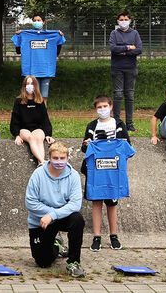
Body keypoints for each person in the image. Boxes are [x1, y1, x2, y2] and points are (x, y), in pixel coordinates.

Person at [25, 142, 85, 278]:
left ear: (67, 158)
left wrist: (53, 214)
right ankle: (57, 246)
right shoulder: (38, 174)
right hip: (41, 221)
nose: (59, 161)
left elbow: (75, 204)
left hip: (59, 217)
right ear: (49, 158)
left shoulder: (73, 176)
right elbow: (30, 202)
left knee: (77, 219)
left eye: (62, 158)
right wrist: (49, 215)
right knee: (43, 262)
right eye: (55, 158)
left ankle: (74, 262)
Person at [81, 95, 130, 251]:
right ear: (96, 109)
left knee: (112, 203)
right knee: (96, 202)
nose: (102, 110)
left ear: (111, 107)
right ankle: (96, 237)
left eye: (105, 106)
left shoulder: (119, 124)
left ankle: (113, 236)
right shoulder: (91, 125)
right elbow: (84, 148)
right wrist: (87, 144)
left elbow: (127, 146)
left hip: (113, 170)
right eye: (99, 107)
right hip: (95, 169)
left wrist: (120, 143)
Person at [11, 14, 66, 98]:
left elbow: (56, 52)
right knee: (32, 96)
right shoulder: (25, 35)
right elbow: (18, 51)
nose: (36, 22)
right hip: (31, 71)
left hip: (46, 71)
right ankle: (33, 111)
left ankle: (43, 111)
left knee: (44, 96)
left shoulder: (53, 35)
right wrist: (19, 37)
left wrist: (59, 36)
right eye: (34, 20)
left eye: (39, 20)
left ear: (43, 22)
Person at [109, 11, 143, 132]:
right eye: (121, 19)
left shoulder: (134, 33)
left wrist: (122, 51)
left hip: (131, 68)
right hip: (117, 68)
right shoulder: (114, 33)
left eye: (126, 19)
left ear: (130, 20)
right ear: (118, 21)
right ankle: (116, 122)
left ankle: (129, 123)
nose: (123, 21)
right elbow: (113, 48)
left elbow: (139, 49)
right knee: (118, 94)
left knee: (129, 95)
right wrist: (128, 47)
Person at [10, 75, 55, 164]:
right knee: (31, 138)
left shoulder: (40, 101)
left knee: (38, 139)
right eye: (28, 84)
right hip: (24, 129)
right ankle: (43, 162)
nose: (30, 86)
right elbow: (14, 120)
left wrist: (48, 134)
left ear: (36, 86)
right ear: (24, 86)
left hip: (37, 128)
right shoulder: (19, 101)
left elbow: (45, 119)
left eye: (32, 84)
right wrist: (17, 135)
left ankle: (40, 163)